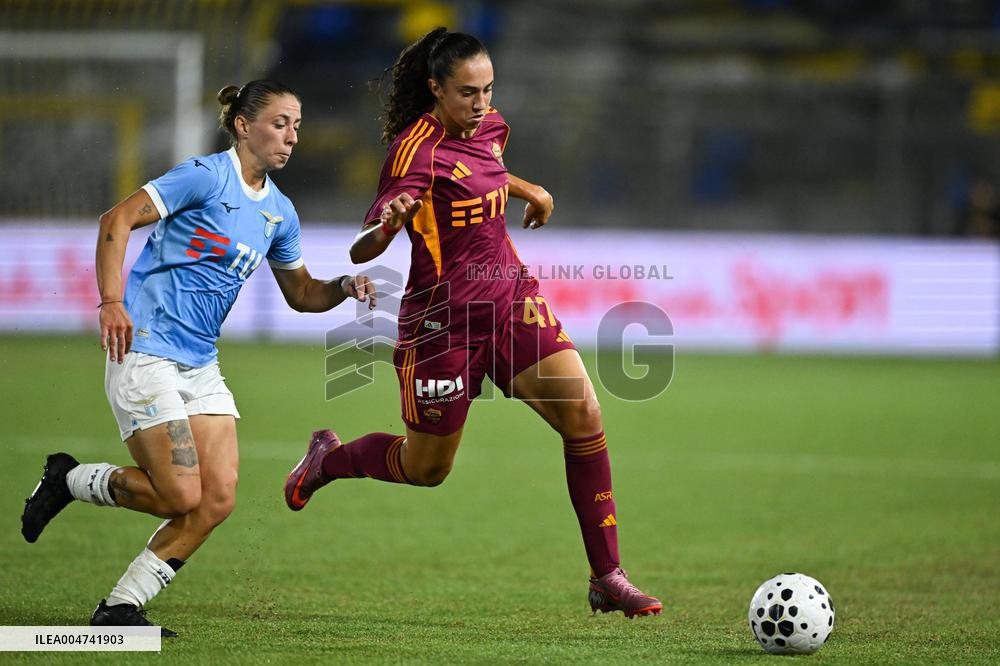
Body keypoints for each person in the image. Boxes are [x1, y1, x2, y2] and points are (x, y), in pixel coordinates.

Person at [284, 29, 662, 618]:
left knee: (585, 415)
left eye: (488, 89)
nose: (482, 104)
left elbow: (483, 169)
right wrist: (388, 226)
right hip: (443, 324)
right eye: (468, 93)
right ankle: (326, 460)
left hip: (511, 302)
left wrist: (526, 188)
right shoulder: (413, 155)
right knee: (426, 468)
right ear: (435, 89)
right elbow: (363, 249)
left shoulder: (490, 127)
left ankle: (607, 575)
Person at [20, 80, 376, 636]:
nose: (292, 137)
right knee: (179, 494)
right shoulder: (204, 177)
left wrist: (344, 285)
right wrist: (111, 302)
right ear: (243, 125)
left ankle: (120, 609)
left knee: (216, 498)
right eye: (280, 123)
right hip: (145, 352)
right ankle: (68, 481)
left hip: (199, 364)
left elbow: (302, 293)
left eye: (298, 126)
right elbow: (115, 220)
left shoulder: (279, 212)